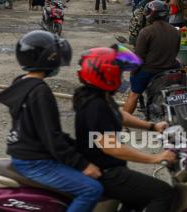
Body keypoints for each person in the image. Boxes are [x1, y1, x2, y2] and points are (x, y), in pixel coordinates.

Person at [0, 31, 103, 212]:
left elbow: (48, 133)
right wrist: (83, 165)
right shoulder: (40, 92)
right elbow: (52, 137)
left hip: (22, 153)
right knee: (91, 189)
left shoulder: (20, 83)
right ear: (48, 59)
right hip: (35, 161)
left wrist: (77, 147)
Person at [74, 44, 176, 211]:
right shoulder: (95, 105)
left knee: (137, 199)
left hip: (110, 168)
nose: (122, 78)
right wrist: (154, 158)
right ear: (106, 74)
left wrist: (152, 126)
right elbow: (110, 146)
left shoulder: (97, 95)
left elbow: (119, 115)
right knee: (163, 193)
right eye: (119, 73)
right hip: (105, 172)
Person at [124, 0, 181, 115]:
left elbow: (138, 57)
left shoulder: (145, 32)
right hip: (169, 70)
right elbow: (176, 52)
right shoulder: (175, 32)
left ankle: (123, 122)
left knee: (134, 94)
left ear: (151, 14)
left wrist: (133, 71)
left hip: (149, 71)